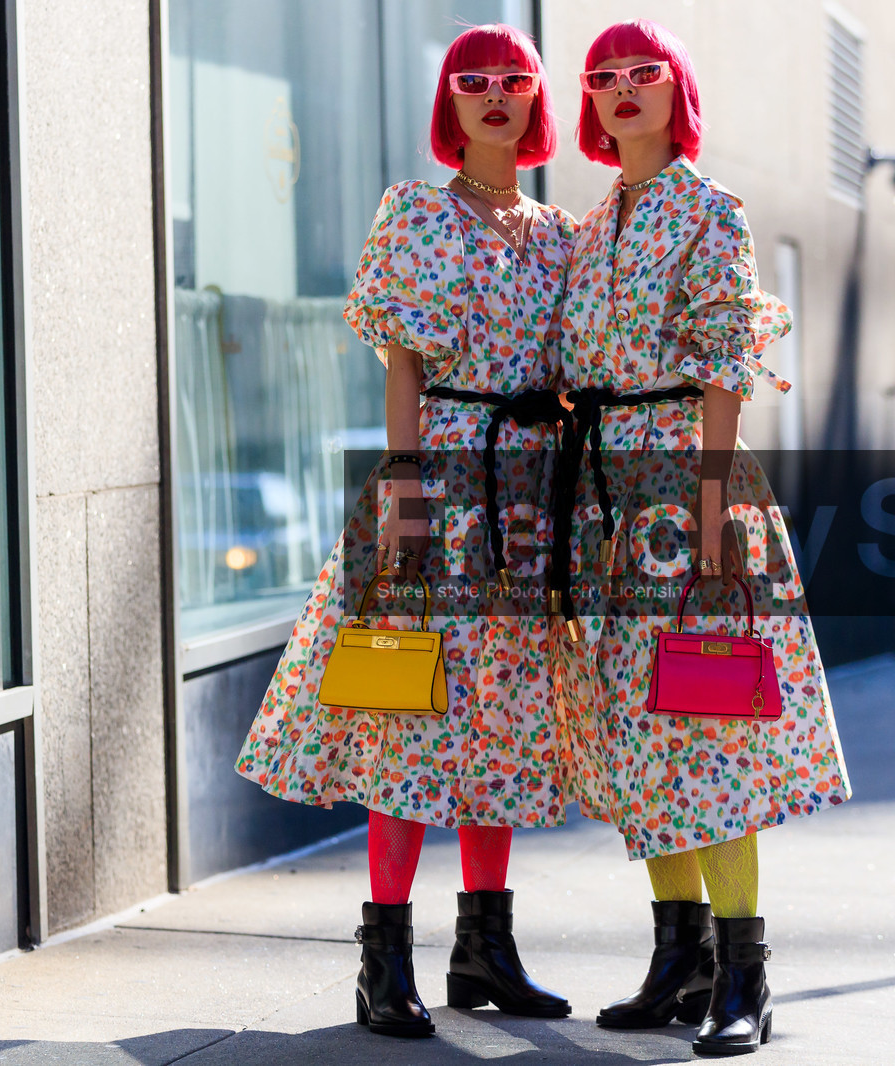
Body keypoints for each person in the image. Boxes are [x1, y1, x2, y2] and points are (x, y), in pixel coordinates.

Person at [235, 23, 579, 1039]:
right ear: (450, 102)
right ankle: (382, 959)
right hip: (441, 476)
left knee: (505, 714)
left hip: (528, 494)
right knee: (410, 712)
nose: (494, 95)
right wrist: (405, 494)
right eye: (474, 81)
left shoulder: (561, 235)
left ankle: (485, 949)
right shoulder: (417, 213)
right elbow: (403, 369)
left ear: (536, 99)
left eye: (513, 80)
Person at [553, 19, 852, 1056]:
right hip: (606, 499)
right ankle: (678, 961)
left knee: (708, 730)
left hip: (688, 485)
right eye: (604, 76)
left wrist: (713, 503)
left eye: (644, 73)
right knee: (639, 736)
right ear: (590, 102)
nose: (623, 88)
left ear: (675, 92)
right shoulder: (592, 223)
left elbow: (726, 361)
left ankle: (744, 977)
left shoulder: (709, 208)